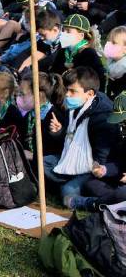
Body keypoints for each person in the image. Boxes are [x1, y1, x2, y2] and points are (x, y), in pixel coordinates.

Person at [44, 67, 121, 210]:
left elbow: (101, 158)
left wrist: (96, 170)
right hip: (74, 159)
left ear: (89, 93)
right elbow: (71, 142)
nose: (67, 94)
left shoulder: (104, 118)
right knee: (43, 163)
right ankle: (70, 178)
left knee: (68, 191)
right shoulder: (77, 106)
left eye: (73, 91)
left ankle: (92, 201)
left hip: (93, 166)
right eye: (67, 90)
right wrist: (59, 132)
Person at [80, 92, 126, 208]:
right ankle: (114, 202)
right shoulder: (123, 140)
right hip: (118, 184)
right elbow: (119, 164)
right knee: (90, 184)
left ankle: (92, 203)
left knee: (121, 193)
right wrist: (104, 169)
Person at [16, 71, 68, 160]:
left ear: (38, 95)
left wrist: (33, 156)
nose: (18, 97)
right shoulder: (29, 115)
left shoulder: (55, 118)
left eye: (22, 94)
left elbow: (58, 151)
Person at [104, 26, 126, 100]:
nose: (109, 46)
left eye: (114, 43)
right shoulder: (111, 61)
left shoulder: (123, 67)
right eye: (109, 42)